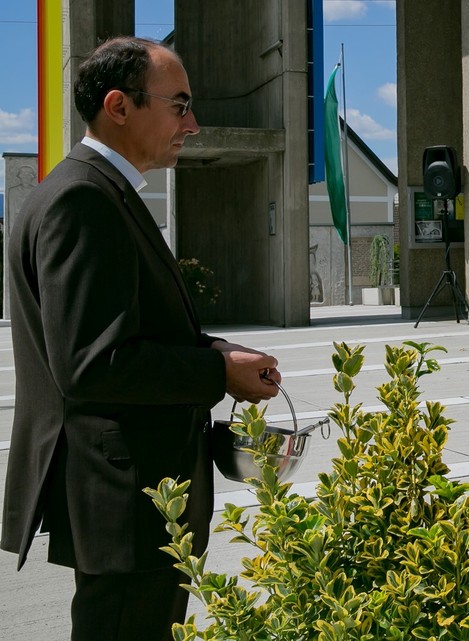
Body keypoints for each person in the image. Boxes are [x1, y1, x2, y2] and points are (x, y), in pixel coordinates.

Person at [0, 36, 283, 641]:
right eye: (179, 105)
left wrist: (214, 351)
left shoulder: (97, 191)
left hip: (131, 500)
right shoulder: (84, 199)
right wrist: (218, 374)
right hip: (127, 502)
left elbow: (129, 332)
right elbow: (92, 364)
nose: (193, 124)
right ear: (118, 106)